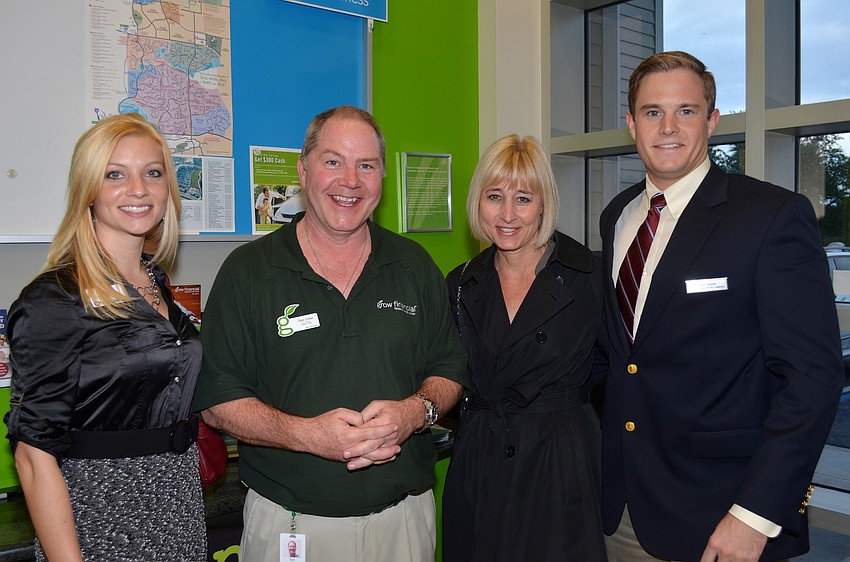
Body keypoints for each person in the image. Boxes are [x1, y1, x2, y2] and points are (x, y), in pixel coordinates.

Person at [599, 50, 844, 562]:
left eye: (686, 111)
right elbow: (628, 359)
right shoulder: (617, 216)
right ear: (631, 122)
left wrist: (755, 515)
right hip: (622, 507)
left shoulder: (771, 216)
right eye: (652, 112)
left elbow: (812, 379)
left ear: (712, 120)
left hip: (724, 517)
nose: (668, 127)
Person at [194, 105, 467, 562]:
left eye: (367, 165)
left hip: (404, 522)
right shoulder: (248, 272)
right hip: (292, 522)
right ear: (303, 170)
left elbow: (449, 369)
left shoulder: (414, 265)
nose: (350, 181)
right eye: (333, 161)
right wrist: (309, 436)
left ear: (382, 177)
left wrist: (414, 413)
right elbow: (220, 404)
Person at [4, 112, 206, 561]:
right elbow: (33, 457)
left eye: (152, 173)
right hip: (100, 518)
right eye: (115, 174)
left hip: (178, 511)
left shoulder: (157, 284)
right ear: (87, 191)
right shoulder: (53, 300)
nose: (139, 189)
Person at [443, 134, 608, 561]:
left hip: (559, 459)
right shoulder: (460, 282)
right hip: (480, 458)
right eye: (494, 196)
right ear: (477, 202)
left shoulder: (589, 276)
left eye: (523, 198)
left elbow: (617, 370)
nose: (508, 215)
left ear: (543, 203)